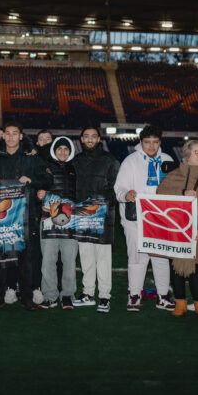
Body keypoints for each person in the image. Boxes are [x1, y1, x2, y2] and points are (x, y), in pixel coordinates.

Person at [0, 121, 52, 311]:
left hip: (25, 215)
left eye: (15, 133)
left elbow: (48, 178)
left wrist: (32, 180)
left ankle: (26, 296)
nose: (11, 137)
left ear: (21, 136)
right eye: (8, 133)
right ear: (3, 136)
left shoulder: (31, 157)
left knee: (26, 258)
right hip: (0, 216)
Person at [156, 140, 198, 317]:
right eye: (197, 152)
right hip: (176, 231)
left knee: (197, 269)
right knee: (176, 269)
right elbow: (159, 197)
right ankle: (180, 303)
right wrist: (181, 194)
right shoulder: (172, 175)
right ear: (187, 155)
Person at [113, 125, 175, 312]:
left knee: (161, 257)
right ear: (141, 142)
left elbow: (175, 187)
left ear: (160, 142)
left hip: (160, 218)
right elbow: (119, 189)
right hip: (135, 218)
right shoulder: (130, 161)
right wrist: (127, 194)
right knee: (137, 257)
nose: (151, 146)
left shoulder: (168, 160)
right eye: (147, 142)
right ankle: (134, 295)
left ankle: (163, 296)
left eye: (155, 142)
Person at [72, 126, 119, 313]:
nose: (90, 139)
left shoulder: (110, 160)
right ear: (81, 139)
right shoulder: (75, 161)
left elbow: (116, 188)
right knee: (85, 256)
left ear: (99, 139)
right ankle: (88, 293)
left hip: (103, 217)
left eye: (93, 136)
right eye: (86, 136)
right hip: (82, 217)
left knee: (103, 258)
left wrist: (101, 204)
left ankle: (105, 296)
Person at [37, 136, 78, 310]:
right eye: (59, 149)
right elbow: (35, 187)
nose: (62, 152)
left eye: (66, 149)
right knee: (48, 260)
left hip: (71, 221)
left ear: (70, 152)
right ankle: (50, 295)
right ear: (54, 150)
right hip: (48, 220)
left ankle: (68, 295)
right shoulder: (44, 168)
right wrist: (38, 194)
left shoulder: (76, 168)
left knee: (69, 260)